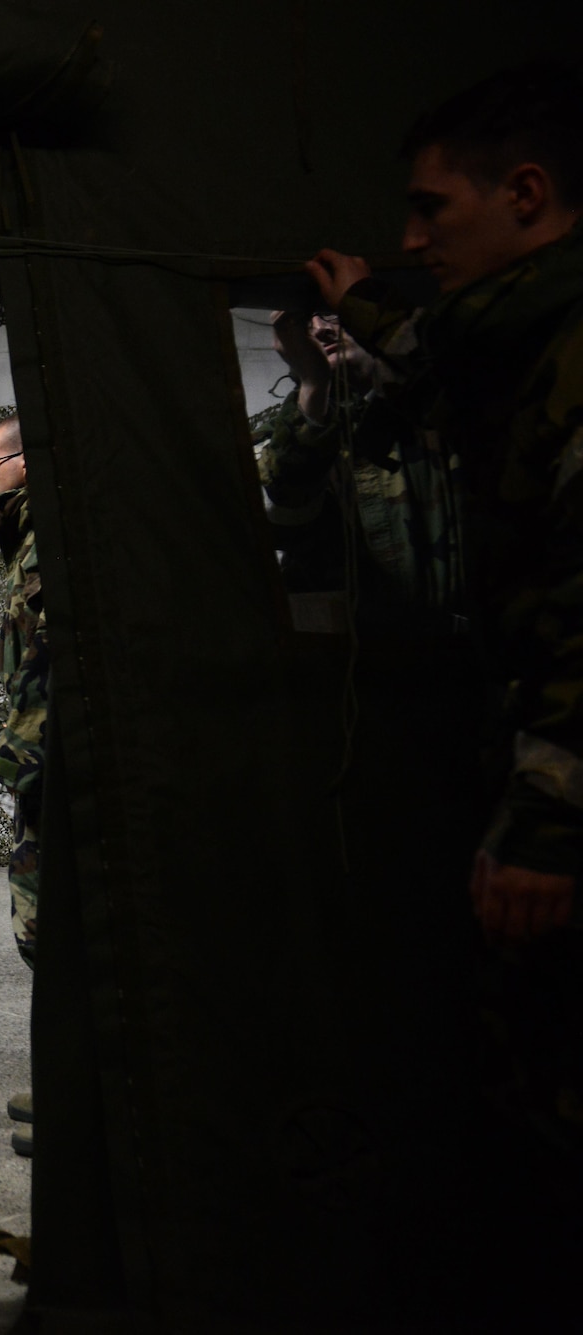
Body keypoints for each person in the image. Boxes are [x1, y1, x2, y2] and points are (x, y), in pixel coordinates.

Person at [308, 64, 583, 1164]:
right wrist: (359, 308)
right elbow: (440, 352)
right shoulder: (511, 336)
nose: (413, 241)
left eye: (433, 209)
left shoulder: (566, 357)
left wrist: (549, 823)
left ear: (523, 194)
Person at [254, 309, 465, 631]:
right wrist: (314, 382)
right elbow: (287, 509)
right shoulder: (285, 432)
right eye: (305, 324)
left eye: (331, 314)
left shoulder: (437, 408)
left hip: (462, 642)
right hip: (354, 652)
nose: (320, 330)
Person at [0, 414, 45, 1157]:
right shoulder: (25, 535)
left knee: (50, 924)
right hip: (40, 759)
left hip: (54, 758)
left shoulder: (47, 538)